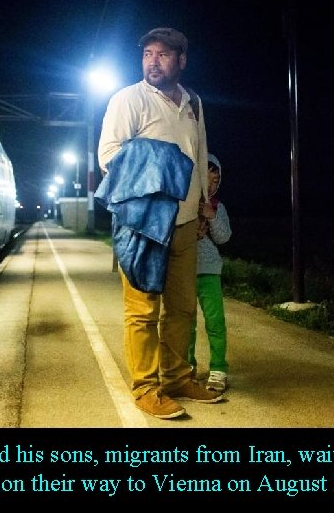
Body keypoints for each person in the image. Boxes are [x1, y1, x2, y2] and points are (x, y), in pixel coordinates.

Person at [97, 27, 223, 419]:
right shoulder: (127, 99)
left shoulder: (194, 103)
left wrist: (204, 202)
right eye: (148, 54)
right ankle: (145, 387)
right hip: (144, 225)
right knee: (142, 310)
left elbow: (199, 154)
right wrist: (162, 161)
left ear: (181, 60)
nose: (153, 61)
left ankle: (177, 377)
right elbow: (109, 157)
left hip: (186, 223)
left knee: (182, 308)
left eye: (163, 55)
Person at [188, 154, 232, 392]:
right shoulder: (183, 203)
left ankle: (218, 368)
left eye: (216, 180)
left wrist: (211, 216)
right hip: (184, 272)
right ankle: (187, 368)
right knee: (186, 323)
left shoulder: (217, 206)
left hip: (209, 272)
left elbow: (224, 237)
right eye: (207, 178)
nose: (212, 184)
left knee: (215, 322)